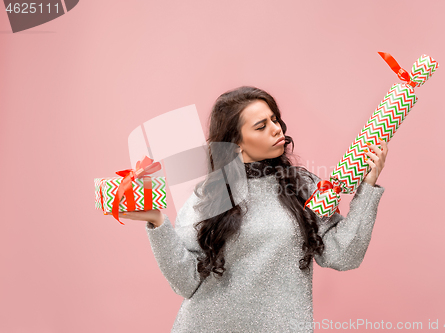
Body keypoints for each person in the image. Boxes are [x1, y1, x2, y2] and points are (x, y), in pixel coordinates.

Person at [113, 86, 387, 332]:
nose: (277, 128)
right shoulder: (208, 197)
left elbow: (344, 255)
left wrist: (368, 189)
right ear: (236, 144)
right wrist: (157, 222)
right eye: (261, 126)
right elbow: (186, 282)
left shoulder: (304, 187)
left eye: (275, 119)